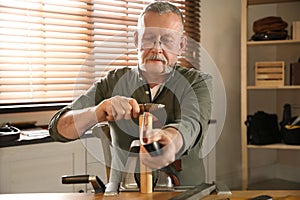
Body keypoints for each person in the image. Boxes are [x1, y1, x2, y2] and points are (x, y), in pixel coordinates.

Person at [49, 1, 212, 187]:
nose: (157, 48)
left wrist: (169, 142)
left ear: (181, 45)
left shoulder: (197, 82)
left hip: (186, 191)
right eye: (149, 38)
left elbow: (191, 124)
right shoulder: (112, 81)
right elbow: (58, 128)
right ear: (136, 40)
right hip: (124, 193)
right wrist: (99, 111)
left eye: (167, 40)